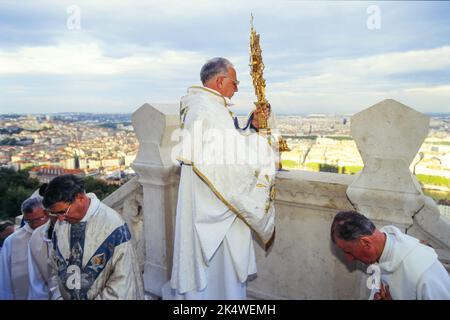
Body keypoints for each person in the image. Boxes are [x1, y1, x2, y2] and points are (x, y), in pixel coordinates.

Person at [165, 57, 277, 300]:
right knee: (218, 276)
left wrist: (252, 126)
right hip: (214, 206)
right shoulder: (208, 110)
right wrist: (262, 144)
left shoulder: (207, 107)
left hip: (210, 199)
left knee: (217, 273)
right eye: (234, 82)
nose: (237, 88)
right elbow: (230, 162)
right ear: (219, 81)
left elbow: (228, 145)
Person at [41, 174, 144, 300]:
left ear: (79, 198)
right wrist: (58, 296)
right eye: (55, 213)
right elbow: (54, 267)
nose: (60, 218)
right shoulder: (61, 225)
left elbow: (123, 283)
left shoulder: (114, 226)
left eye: (62, 211)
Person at [331, 210, 450, 300]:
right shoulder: (381, 253)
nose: (349, 259)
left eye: (349, 251)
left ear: (366, 243)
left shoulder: (423, 274)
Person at [0, 197, 49, 299]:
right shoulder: (12, 241)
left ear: (47, 213)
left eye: (39, 219)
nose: (34, 224)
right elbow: (5, 277)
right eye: (29, 221)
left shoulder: (57, 233)